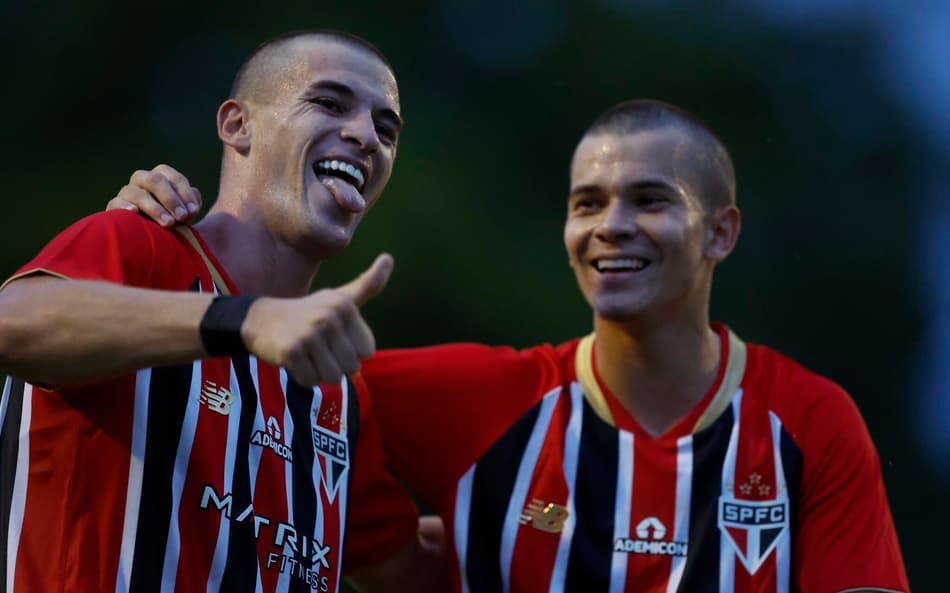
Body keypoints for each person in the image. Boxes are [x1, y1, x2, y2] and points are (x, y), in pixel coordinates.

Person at [112, 100, 910, 592]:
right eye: (587, 202)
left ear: (722, 232)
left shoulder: (809, 421)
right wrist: (146, 248)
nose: (611, 226)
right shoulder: (483, 400)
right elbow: (260, 386)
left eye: (650, 201)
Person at [0, 30, 448, 593]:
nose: (366, 137)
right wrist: (242, 320)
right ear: (238, 125)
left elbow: (414, 570)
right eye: (329, 103)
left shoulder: (336, 388)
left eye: (387, 130)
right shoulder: (141, 245)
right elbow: (11, 323)